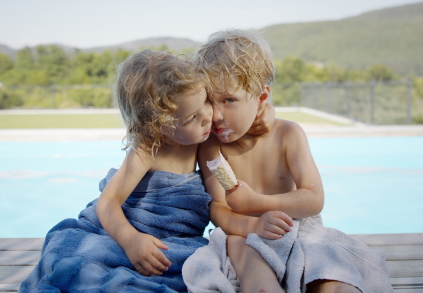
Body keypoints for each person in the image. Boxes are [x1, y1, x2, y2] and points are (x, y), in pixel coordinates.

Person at [20, 49, 274, 292]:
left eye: (205, 103)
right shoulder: (147, 150)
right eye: (190, 118)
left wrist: (267, 113)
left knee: (200, 266)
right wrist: (131, 241)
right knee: (79, 261)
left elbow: (218, 200)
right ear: (156, 127)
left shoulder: (202, 140)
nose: (208, 118)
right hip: (128, 231)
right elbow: (108, 202)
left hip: (177, 240)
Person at [183, 30, 392, 293]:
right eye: (210, 102)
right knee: (249, 263)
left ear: (260, 98)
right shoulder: (211, 145)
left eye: (229, 100)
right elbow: (219, 210)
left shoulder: (288, 135)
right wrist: (254, 224)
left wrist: (257, 203)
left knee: (332, 272)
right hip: (241, 233)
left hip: (295, 228)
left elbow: (314, 200)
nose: (217, 116)